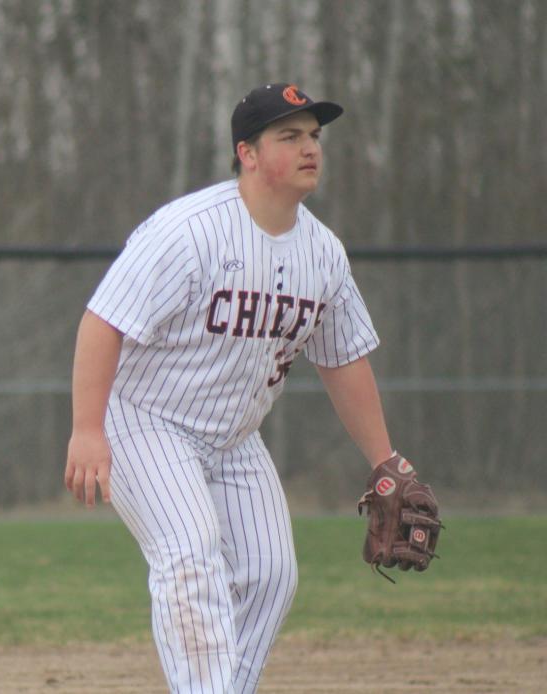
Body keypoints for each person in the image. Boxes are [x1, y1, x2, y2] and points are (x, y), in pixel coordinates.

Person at [64, 83, 405, 693]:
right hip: (148, 421)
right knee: (189, 557)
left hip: (234, 437)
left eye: (314, 136)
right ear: (246, 153)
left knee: (272, 575)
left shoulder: (323, 253)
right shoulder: (189, 232)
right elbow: (103, 320)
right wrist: (87, 429)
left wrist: (384, 461)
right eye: (289, 136)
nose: (309, 149)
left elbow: (344, 359)